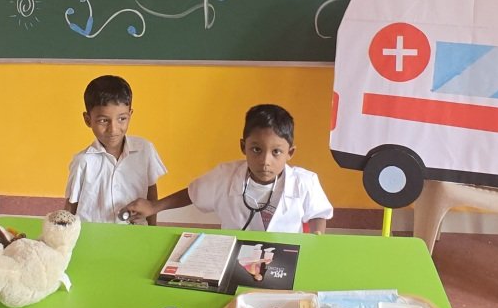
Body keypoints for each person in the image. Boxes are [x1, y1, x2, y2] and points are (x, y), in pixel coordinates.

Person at [126, 104, 333, 233]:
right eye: (256, 149)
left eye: (276, 152)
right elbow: (193, 193)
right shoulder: (225, 176)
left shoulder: (305, 181)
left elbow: (318, 212)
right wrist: (154, 207)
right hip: (233, 255)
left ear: (290, 153)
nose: (265, 161)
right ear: (243, 147)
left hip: (285, 259)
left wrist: (317, 237)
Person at [65, 75, 166, 225]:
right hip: (93, 235)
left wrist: (153, 229)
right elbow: (71, 205)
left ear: (130, 115)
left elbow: (151, 193)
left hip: (135, 233)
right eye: (103, 120)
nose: (113, 129)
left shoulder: (145, 150)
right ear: (88, 120)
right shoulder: (83, 161)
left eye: (122, 119)